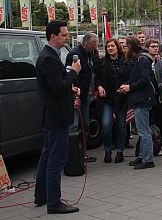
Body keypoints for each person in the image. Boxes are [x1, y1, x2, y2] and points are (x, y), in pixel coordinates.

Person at [34, 20, 81, 214]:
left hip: (54, 113)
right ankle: (54, 202)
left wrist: (69, 87)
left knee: (47, 155)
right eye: (64, 34)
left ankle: (41, 195)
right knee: (56, 158)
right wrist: (73, 73)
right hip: (56, 116)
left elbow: (58, 86)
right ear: (53, 36)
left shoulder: (51, 56)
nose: (66, 37)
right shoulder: (48, 58)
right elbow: (58, 87)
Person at [119, 36, 157, 170]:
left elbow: (145, 79)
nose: (124, 49)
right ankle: (142, 155)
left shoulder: (142, 59)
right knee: (142, 130)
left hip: (142, 99)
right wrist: (126, 85)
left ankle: (148, 159)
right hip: (138, 99)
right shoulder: (136, 59)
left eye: (125, 47)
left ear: (131, 47)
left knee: (143, 131)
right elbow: (135, 78)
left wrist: (130, 87)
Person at [65, 32, 98, 162]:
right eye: (94, 44)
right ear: (86, 44)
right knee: (73, 126)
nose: (96, 46)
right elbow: (70, 76)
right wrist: (75, 96)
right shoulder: (74, 55)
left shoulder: (89, 53)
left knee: (85, 125)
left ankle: (82, 154)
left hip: (85, 96)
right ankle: (71, 157)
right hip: (76, 96)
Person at [95, 38, 129, 164]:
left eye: (112, 46)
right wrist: (99, 86)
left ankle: (120, 151)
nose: (110, 48)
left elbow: (130, 77)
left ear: (117, 47)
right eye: (108, 46)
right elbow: (96, 77)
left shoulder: (125, 61)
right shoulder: (102, 62)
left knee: (121, 125)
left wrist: (126, 86)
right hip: (107, 99)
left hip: (121, 99)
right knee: (106, 124)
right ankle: (107, 150)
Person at [146, 39, 162, 156]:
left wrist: (157, 87)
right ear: (147, 48)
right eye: (152, 46)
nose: (155, 48)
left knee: (161, 123)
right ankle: (151, 145)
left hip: (160, 98)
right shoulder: (144, 62)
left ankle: (161, 145)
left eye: (157, 46)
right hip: (147, 99)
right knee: (149, 122)